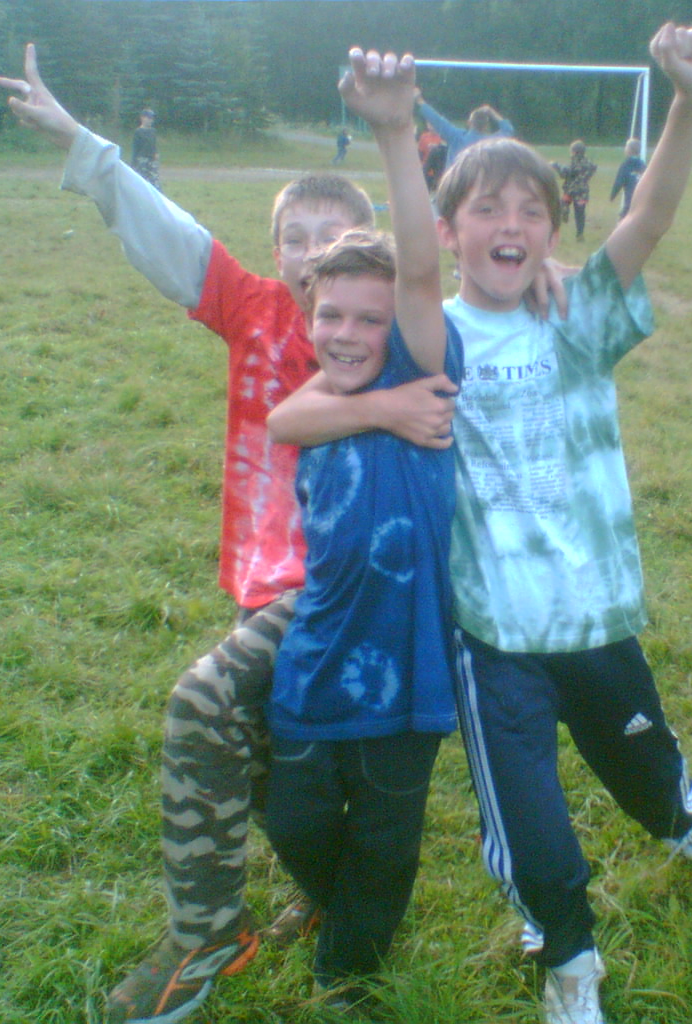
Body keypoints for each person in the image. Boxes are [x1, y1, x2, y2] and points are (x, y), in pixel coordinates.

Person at [0, 44, 456, 1024]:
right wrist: (80, 141)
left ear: (363, 254)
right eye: (293, 236)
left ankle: (207, 934)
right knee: (274, 767)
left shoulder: (384, 337)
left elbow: (431, 283)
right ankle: (333, 895)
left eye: (333, 236)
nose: (310, 252)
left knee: (204, 706)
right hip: (263, 589)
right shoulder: (252, 311)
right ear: (277, 252)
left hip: (332, 590)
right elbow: (161, 229)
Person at [276, 23, 692, 1024]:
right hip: (492, 636)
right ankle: (569, 956)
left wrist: (690, 99)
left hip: (595, 614)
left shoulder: (578, 314)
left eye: (530, 209)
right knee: (528, 823)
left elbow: (649, 217)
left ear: (552, 232)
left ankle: (678, 813)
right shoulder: (435, 337)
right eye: (486, 209)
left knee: (640, 763)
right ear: (451, 230)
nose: (510, 223)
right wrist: (394, 132)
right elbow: (408, 280)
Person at [262, 46, 461, 1006]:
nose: (347, 334)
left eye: (368, 321)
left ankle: (350, 973)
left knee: (387, 837)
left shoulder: (422, 379)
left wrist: (393, 131)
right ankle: (340, 908)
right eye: (330, 315)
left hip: (406, 672)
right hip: (315, 655)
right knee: (293, 815)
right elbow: (282, 420)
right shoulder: (322, 401)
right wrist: (364, 404)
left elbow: (418, 269)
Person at [414, 90, 513, 168]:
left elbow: (436, 119)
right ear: (486, 126)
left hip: (455, 185)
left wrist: (419, 100)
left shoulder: (456, 136)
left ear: (469, 123)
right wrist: (491, 111)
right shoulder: (491, 142)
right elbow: (508, 130)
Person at [553, 139, 598, 241]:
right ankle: (580, 234)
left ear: (574, 152)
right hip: (583, 192)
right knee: (580, 214)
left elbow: (564, 174)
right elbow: (592, 169)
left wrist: (556, 166)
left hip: (570, 190)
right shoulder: (588, 163)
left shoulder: (574, 162)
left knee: (563, 203)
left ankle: (565, 213)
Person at [609, 138, 646, 219]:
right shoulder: (642, 164)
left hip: (630, 199)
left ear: (629, 150)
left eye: (626, 146)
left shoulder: (626, 165)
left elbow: (619, 182)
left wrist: (612, 195)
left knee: (624, 220)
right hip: (642, 200)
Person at [130, 108, 161, 189]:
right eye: (149, 118)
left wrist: (156, 153)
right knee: (142, 181)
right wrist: (133, 163)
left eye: (152, 118)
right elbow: (135, 148)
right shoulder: (138, 132)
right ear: (142, 118)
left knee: (155, 181)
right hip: (142, 160)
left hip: (152, 160)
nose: (151, 120)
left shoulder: (153, 131)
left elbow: (153, 145)